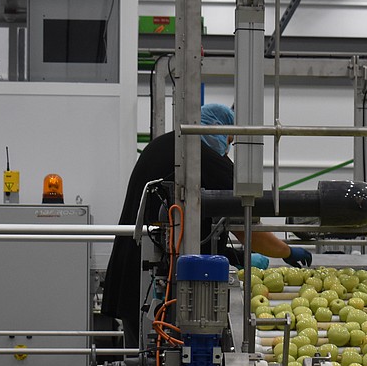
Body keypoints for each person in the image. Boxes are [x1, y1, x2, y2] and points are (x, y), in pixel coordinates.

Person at [101, 102, 311, 339]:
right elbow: (249, 230)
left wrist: (235, 256)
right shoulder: (205, 159)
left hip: (134, 275)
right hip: (157, 287)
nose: (227, 149)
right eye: (229, 140)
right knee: (159, 353)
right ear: (214, 127)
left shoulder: (165, 145)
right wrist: (287, 252)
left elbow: (198, 224)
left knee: (140, 353)